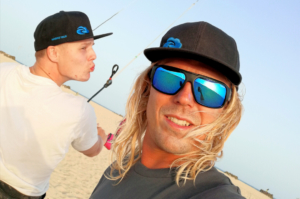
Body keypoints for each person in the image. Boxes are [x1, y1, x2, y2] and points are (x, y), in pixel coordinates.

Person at [90, 21, 246, 199]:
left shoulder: (215, 194)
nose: (184, 98)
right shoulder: (116, 171)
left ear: (225, 111)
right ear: (147, 88)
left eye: (210, 92)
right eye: (169, 78)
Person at [0, 11, 112, 199]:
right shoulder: (79, 109)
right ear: (53, 52)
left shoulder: (4, 70)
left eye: (92, 46)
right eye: (84, 48)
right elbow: (93, 150)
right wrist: (101, 135)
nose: (93, 55)